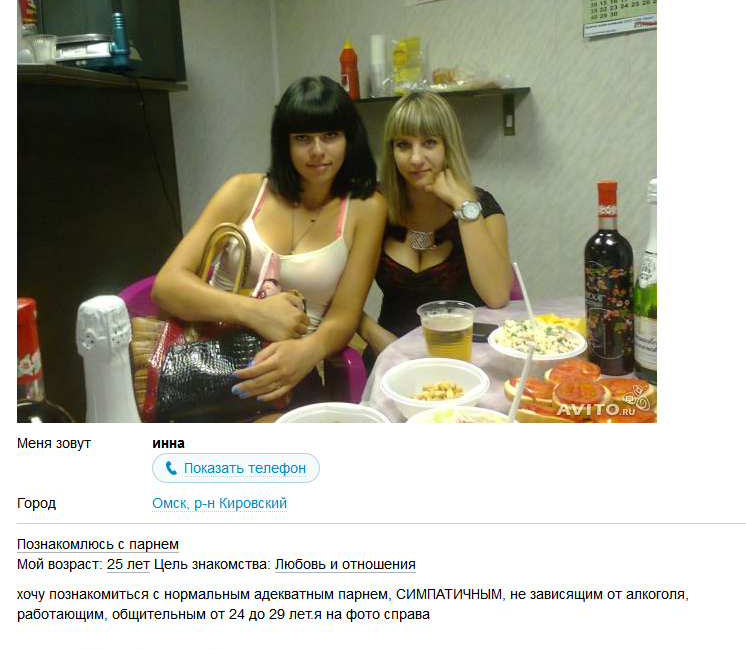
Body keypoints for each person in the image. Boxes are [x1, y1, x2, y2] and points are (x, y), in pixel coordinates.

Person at [152, 76, 387, 404]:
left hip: (290, 369)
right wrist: (254, 312)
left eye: (330, 136)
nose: (317, 151)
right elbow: (166, 287)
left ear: (350, 138)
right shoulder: (243, 190)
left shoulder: (367, 208)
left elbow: (344, 316)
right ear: (285, 143)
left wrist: (307, 352)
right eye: (302, 138)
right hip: (205, 361)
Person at [359, 91, 513, 362]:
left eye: (429, 142)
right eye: (403, 145)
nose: (416, 158)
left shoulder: (480, 205)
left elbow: (497, 295)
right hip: (391, 356)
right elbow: (335, 294)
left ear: (448, 146)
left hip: (463, 356)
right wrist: (377, 337)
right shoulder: (374, 204)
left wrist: (464, 206)